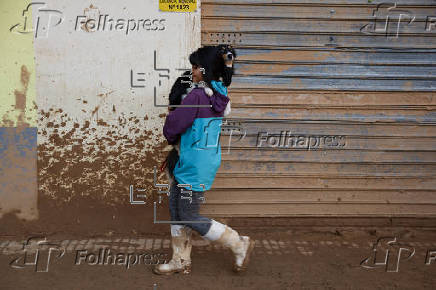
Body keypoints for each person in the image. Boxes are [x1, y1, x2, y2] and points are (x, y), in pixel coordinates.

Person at [153, 47, 255, 275]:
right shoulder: (218, 94)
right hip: (197, 160)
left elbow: (173, 127)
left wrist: (171, 119)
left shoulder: (198, 96)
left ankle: (238, 243)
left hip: (193, 164)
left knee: (187, 215)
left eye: (195, 67)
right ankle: (180, 260)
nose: (193, 71)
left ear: (205, 69)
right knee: (176, 210)